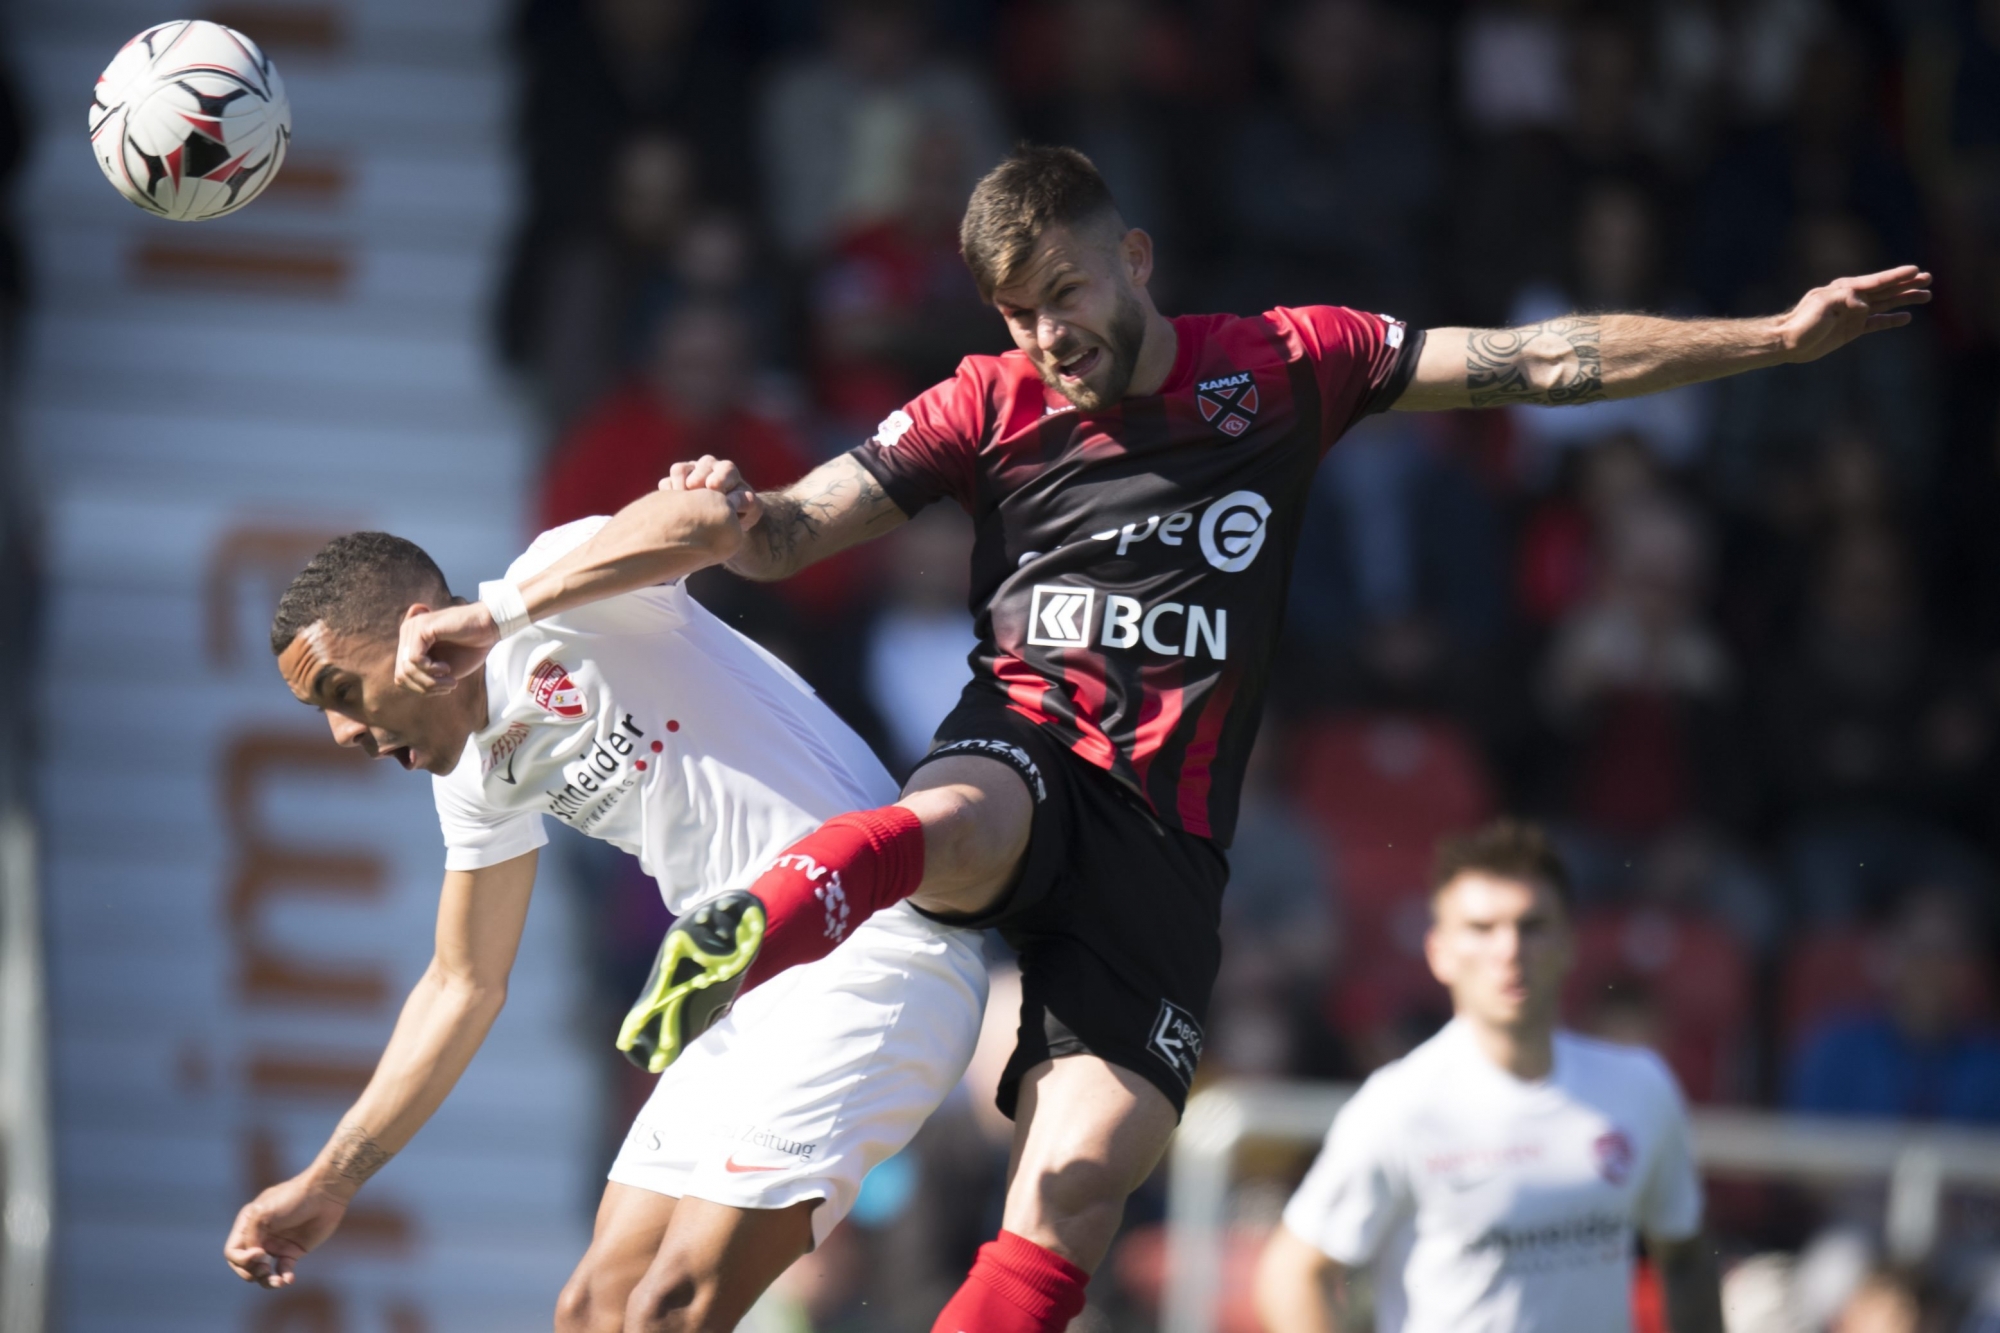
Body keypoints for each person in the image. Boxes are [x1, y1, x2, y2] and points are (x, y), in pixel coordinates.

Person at [408, 144, 1928, 1332]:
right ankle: (768, 919)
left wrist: (1776, 340)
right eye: (1017, 313)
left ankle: (802, 911)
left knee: (1074, 1187)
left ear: (1132, 257)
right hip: (1020, 749)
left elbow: (1534, 361)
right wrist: (640, 546)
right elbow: (793, 534)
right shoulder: (984, 402)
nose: (1049, 335)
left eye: (1067, 292)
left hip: (1167, 856)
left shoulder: (1283, 363)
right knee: (970, 820)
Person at [218, 485, 992, 1333]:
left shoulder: (556, 581)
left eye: (341, 691)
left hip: (873, 948)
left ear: (413, 627)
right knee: (596, 1309)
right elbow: (461, 984)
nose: (343, 734)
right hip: (741, 997)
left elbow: (705, 521)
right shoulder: (476, 775)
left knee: (672, 1307)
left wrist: (498, 615)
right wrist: (330, 1180)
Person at [1253, 821, 1721, 1333]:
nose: (1509, 950)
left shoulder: (1640, 1088)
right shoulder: (1400, 1105)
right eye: (1481, 928)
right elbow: (1291, 1273)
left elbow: (1685, 1256)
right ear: (1438, 951)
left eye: (1532, 926)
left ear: (1569, 943)